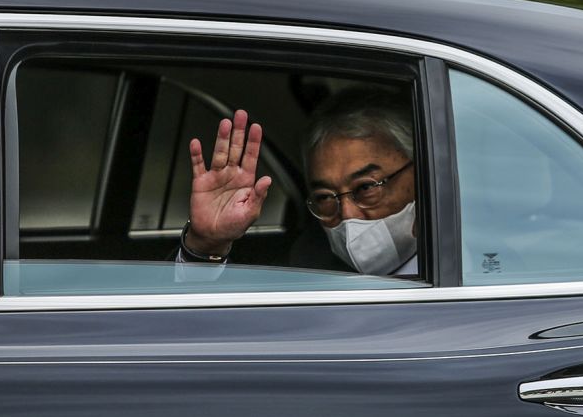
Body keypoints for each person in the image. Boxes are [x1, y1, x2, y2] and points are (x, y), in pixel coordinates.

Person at [178, 88, 417, 276]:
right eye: (324, 197)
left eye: (366, 188)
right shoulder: (306, 270)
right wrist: (206, 245)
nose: (347, 214)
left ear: (420, 174)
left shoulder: (454, 266)